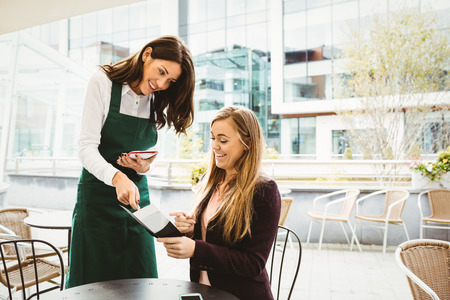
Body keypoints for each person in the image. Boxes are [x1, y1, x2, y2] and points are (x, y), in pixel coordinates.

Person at [66, 35, 195, 288]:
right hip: (97, 200)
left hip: (138, 205)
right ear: (147, 54)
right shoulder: (102, 81)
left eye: (170, 80)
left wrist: (144, 166)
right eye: (161, 72)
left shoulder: (156, 97)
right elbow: (85, 148)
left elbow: (151, 149)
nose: (161, 83)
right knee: (93, 283)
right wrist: (117, 177)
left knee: (141, 280)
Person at [158, 105, 281, 299]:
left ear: (247, 143)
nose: (215, 146)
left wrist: (196, 249)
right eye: (213, 138)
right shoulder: (211, 180)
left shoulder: (264, 190)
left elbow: (253, 263)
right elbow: (213, 237)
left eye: (223, 140)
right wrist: (191, 230)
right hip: (203, 292)